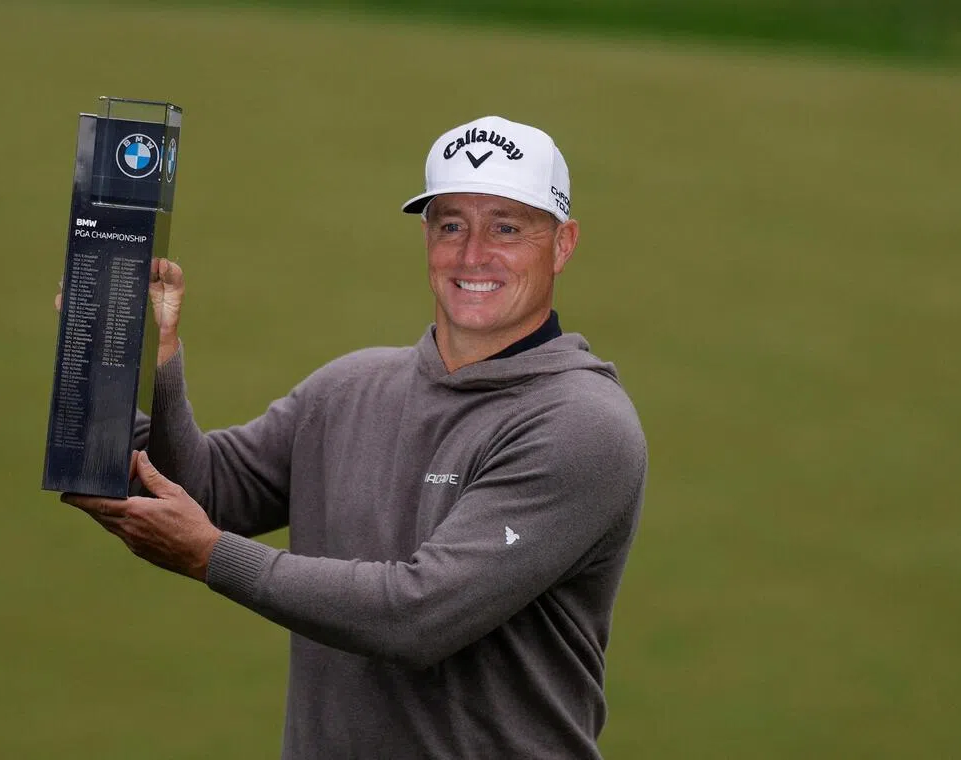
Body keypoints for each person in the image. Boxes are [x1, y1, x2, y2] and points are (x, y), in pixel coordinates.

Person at [63, 115, 648, 759]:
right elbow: (199, 492)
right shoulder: (350, 387)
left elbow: (419, 616)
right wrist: (113, 352)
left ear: (563, 244)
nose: (473, 255)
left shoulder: (580, 424)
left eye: (506, 228)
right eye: (451, 225)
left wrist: (211, 556)